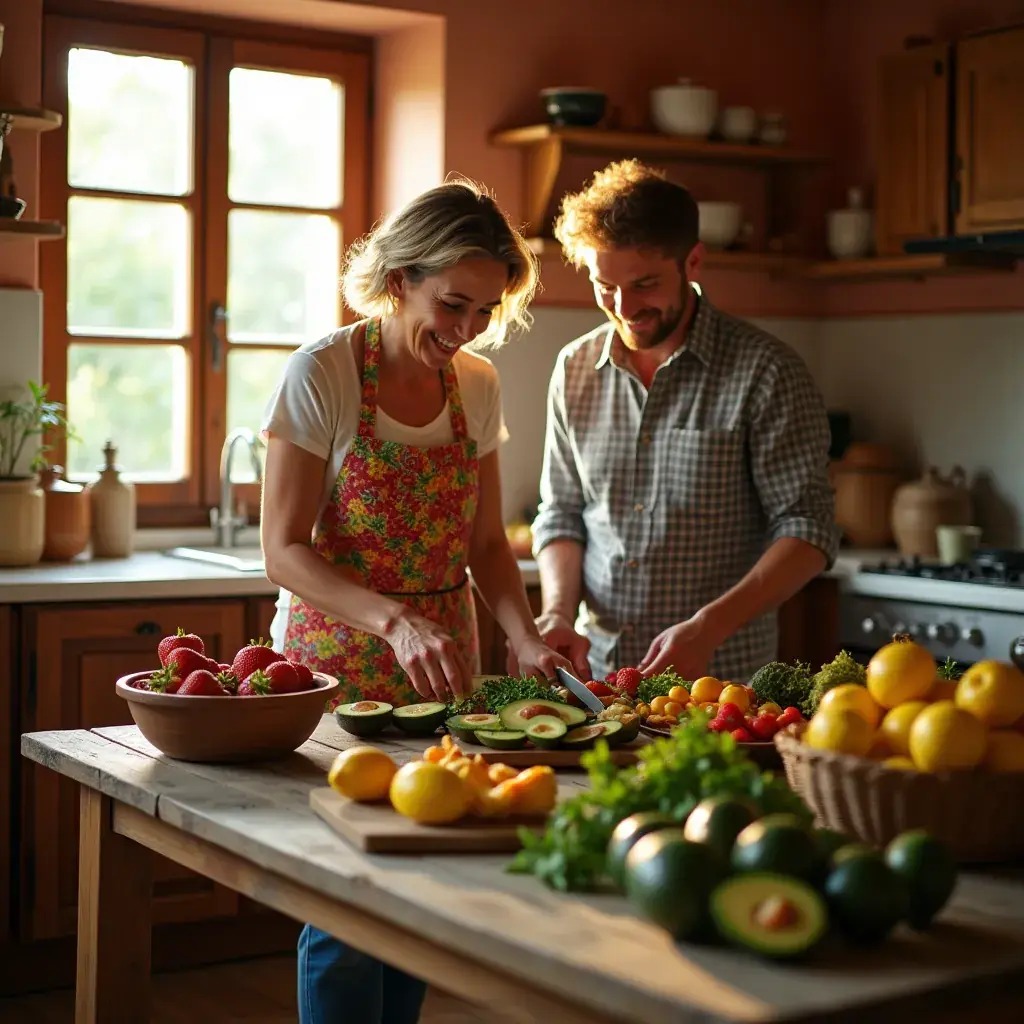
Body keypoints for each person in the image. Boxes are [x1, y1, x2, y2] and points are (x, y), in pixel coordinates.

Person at [259, 178, 569, 1024]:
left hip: (444, 666)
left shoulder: (476, 385)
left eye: (485, 311)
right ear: (399, 279)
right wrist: (392, 619)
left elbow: (483, 549)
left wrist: (527, 635)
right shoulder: (324, 371)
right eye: (453, 304)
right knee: (347, 896)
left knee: (424, 887)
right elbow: (282, 549)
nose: (467, 329)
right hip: (336, 664)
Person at [524, 159, 840, 685]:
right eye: (606, 286)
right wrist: (557, 612)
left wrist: (709, 627)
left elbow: (808, 531)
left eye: (645, 284)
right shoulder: (574, 368)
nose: (624, 308)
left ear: (692, 262)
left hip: (723, 684)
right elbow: (561, 513)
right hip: (598, 681)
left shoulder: (766, 372)